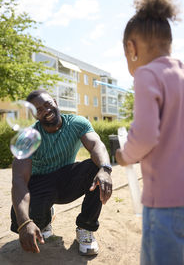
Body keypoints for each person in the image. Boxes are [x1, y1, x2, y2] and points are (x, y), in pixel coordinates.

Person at [115, 0, 184, 265]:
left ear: (131, 48)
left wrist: (125, 155)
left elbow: (146, 134)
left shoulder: (146, 75)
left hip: (166, 204)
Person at [11, 89, 112, 256]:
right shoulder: (28, 137)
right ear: (35, 116)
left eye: (47, 104)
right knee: (18, 219)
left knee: (97, 168)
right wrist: (24, 222)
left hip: (67, 180)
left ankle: (86, 228)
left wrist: (105, 169)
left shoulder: (76, 122)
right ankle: (44, 217)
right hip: (40, 184)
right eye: (39, 110)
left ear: (56, 103)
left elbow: (96, 145)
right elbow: (19, 179)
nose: (46, 110)